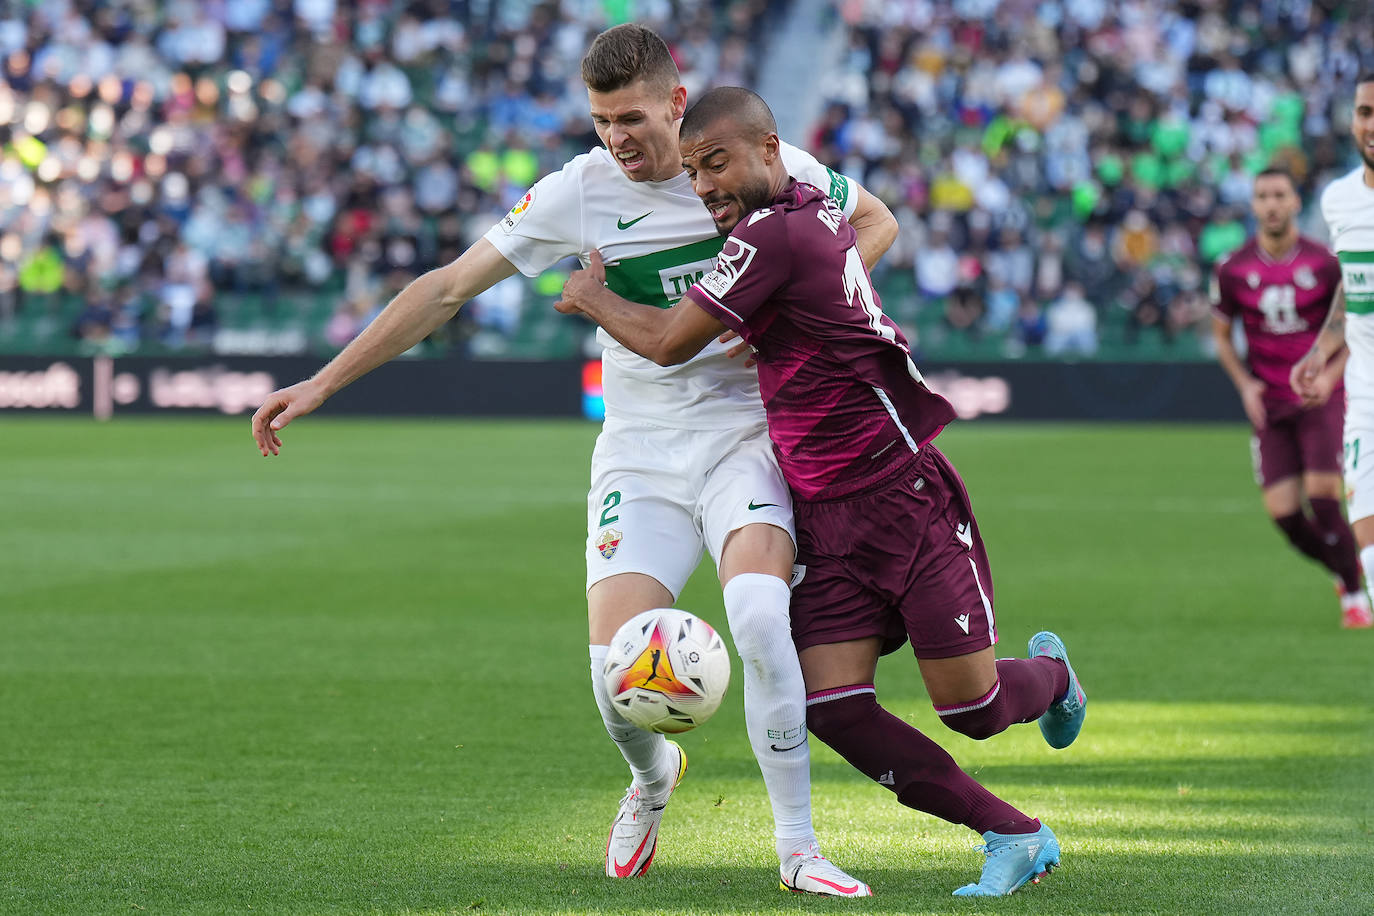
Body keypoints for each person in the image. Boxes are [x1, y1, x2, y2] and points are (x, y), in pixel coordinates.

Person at [250, 24, 896, 897]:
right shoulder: (580, 193)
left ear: (676, 101)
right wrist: (323, 383)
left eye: (630, 116)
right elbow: (444, 288)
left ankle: (798, 850)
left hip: (746, 437)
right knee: (611, 675)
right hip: (640, 454)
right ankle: (652, 777)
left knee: (755, 614)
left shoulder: (754, 163)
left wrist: (803, 305)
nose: (615, 138)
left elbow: (874, 221)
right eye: (600, 121)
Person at [555, 86, 1086, 898]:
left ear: (772, 149)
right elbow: (870, 223)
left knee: (971, 710)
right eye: (694, 172)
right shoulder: (803, 215)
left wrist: (590, 295)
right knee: (833, 707)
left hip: (900, 497)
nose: (704, 187)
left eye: (718, 163)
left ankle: (1052, 677)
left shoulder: (776, 234)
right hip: (823, 514)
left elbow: (665, 342)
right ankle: (1013, 834)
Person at [1211, 167, 1371, 628]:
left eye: (1280, 194)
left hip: (1321, 397)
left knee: (1324, 498)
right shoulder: (1233, 267)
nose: (1272, 204)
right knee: (1284, 516)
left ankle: (1355, 597)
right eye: (1262, 196)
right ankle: (1348, 569)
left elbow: (1355, 327)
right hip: (1271, 403)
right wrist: (1246, 385)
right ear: (1253, 204)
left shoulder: (1325, 262)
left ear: (1296, 202)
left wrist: (1332, 374)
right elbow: (1222, 337)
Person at [1292, 73, 1374, 630]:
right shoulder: (1340, 200)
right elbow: (1351, 287)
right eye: (1366, 111)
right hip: (1365, 404)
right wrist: (1321, 348)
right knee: (1369, 551)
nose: (1373, 125)